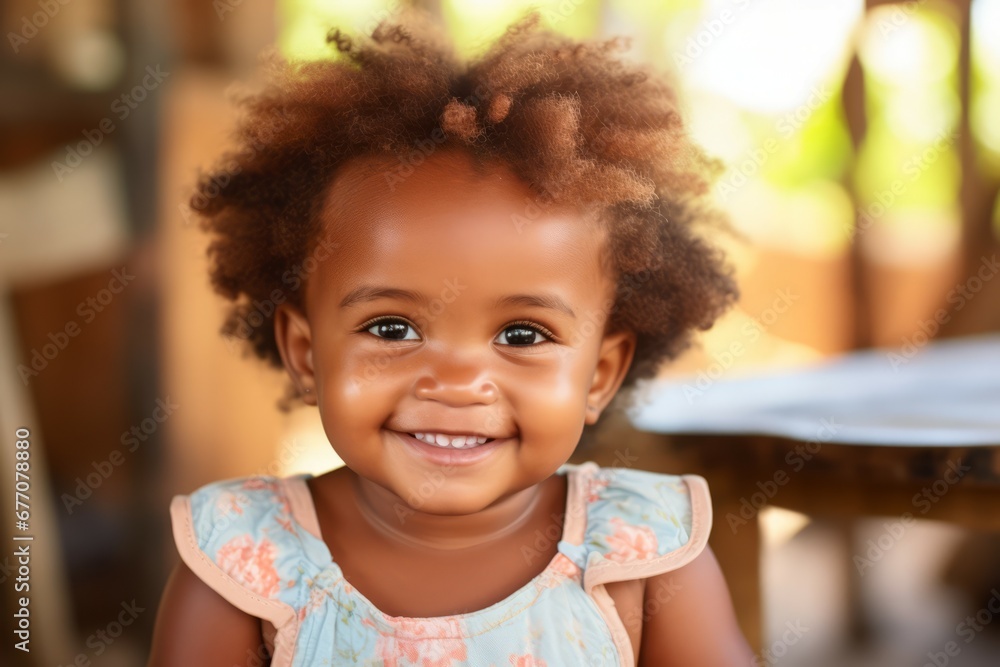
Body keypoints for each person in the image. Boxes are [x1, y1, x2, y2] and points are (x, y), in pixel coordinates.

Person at [148, 10, 752, 666]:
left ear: (600, 374)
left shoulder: (643, 557)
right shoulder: (244, 567)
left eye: (523, 334)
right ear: (306, 353)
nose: (457, 380)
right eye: (393, 328)